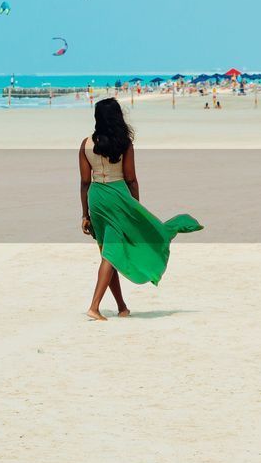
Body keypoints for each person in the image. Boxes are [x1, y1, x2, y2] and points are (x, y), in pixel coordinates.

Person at [78, 98, 203, 321]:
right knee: (111, 253)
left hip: (96, 197)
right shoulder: (124, 144)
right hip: (118, 197)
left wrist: (85, 214)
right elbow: (131, 178)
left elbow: (85, 182)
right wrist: (136, 206)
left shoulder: (86, 144)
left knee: (108, 252)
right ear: (117, 118)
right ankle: (94, 307)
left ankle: (121, 307)